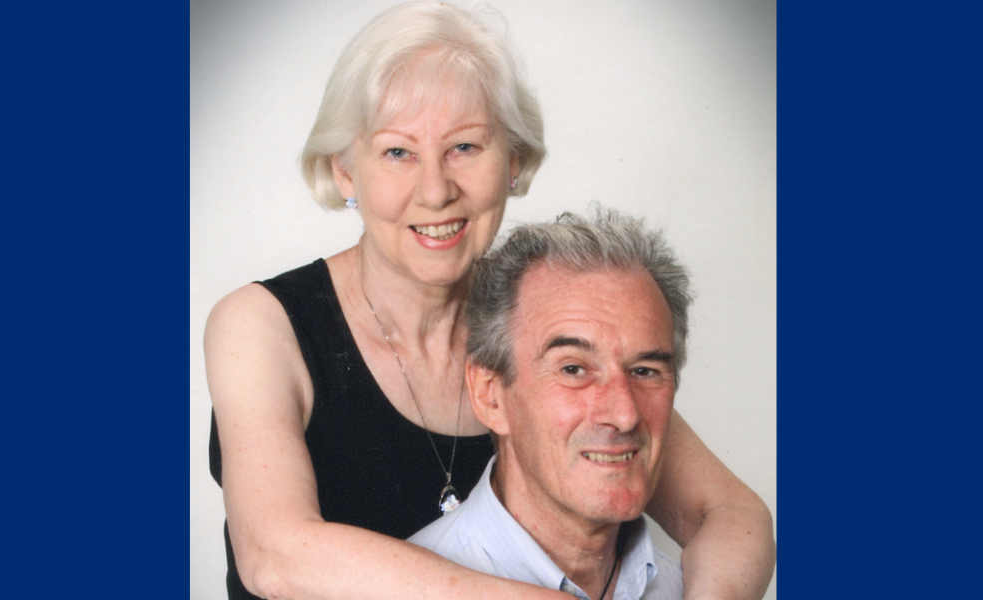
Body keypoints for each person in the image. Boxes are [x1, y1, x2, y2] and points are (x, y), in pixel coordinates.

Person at [204, 3, 775, 600]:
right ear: (345, 172)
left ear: (514, 161)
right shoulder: (260, 325)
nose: (435, 191)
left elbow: (733, 514)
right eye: (398, 152)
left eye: (465, 147)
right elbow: (274, 556)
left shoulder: (532, 317)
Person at [410, 206, 696, 600]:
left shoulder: (691, 588)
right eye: (574, 369)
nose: (625, 414)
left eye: (645, 371)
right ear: (490, 395)